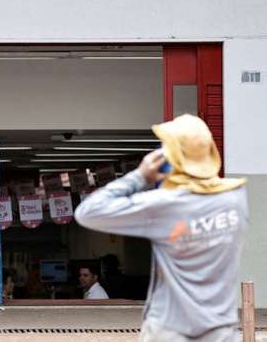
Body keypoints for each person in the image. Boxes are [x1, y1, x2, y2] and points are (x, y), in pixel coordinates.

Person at [75, 115, 247, 341]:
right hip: (221, 333)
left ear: (172, 158)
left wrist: (140, 176)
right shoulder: (235, 199)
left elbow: (87, 212)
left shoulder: (163, 206)